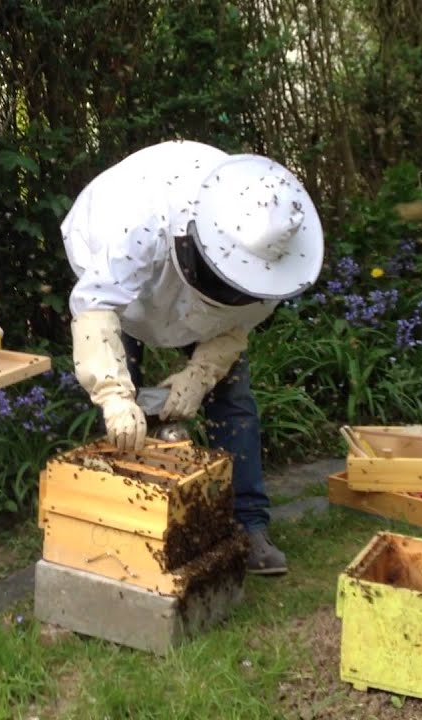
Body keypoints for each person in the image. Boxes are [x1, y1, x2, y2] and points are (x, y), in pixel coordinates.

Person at [62, 139, 324, 575]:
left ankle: (248, 527)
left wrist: (201, 375)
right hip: (123, 288)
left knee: (233, 399)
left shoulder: (276, 256)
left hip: (197, 308)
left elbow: (238, 324)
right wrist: (114, 395)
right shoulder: (138, 221)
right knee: (121, 411)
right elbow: (97, 308)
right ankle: (120, 525)